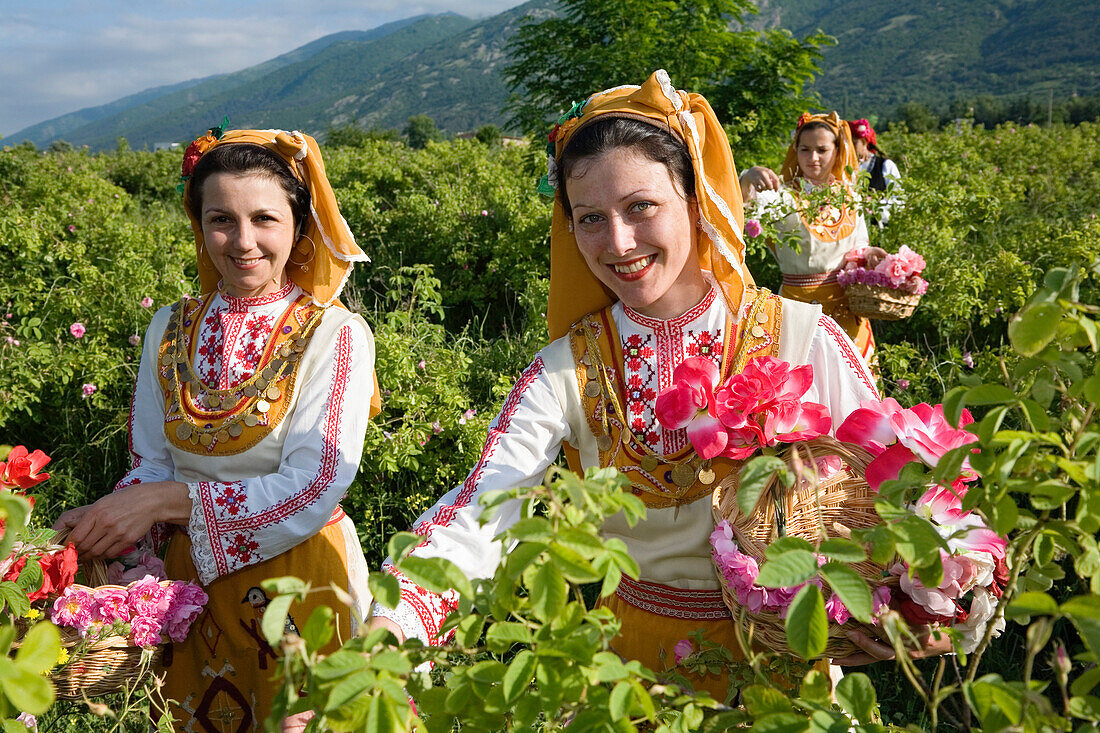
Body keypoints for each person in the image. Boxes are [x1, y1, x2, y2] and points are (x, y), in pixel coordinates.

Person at [367, 71, 914, 700]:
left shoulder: (801, 336)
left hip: (784, 666)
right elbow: (485, 503)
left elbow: (893, 480)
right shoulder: (568, 368)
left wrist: (911, 590)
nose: (619, 242)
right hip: (631, 678)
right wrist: (388, 629)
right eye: (590, 218)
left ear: (694, 198)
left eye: (641, 207)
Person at [54, 128, 379, 730]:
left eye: (265, 219)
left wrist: (164, 502)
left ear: (300, 226)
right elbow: (153, 461)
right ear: (200, 228)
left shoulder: (334, 334)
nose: (244, 241)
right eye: (221, 220)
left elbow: (316, 482)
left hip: (299, 580)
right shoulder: (170, 326)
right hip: (190, 585)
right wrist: (111, 519)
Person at [738, 112, 884, 365]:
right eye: (805, 149)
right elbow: (734, 215)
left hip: (848, 310)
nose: (813, 158)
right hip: (798, 309)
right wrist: (748, 179)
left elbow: (859, 246)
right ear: (796, 150)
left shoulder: (849, 196)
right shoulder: (781, 197)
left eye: (822, 150)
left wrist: (869, 254)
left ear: (837, 151)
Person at [848, 118, 902, 226]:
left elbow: (898, 199)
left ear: (864, 142)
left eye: (853, 144)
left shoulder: (885, 165)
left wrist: (873, 206)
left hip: (880, 226)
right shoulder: (845, 167)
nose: (850, 148)